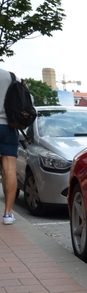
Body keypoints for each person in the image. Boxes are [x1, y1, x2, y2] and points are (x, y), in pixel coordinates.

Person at [0, 68, 20, 225]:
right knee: (9, 170)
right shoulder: (11, 76)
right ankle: (7, 214)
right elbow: (28, 100)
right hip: (8, 127)